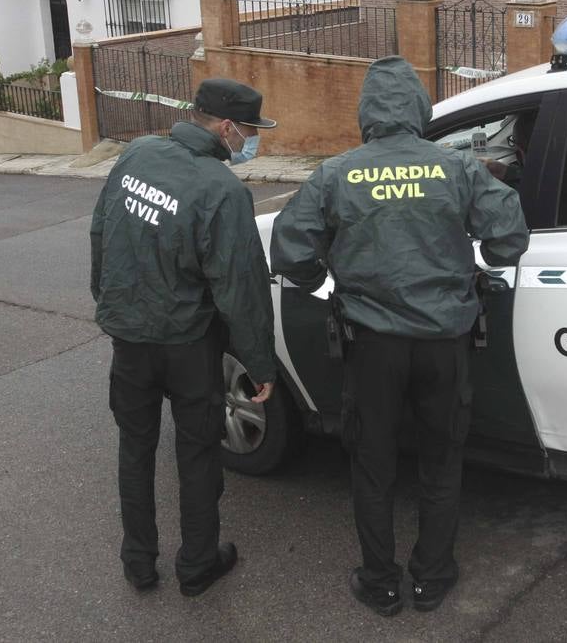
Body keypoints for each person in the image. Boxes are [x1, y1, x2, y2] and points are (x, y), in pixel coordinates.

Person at [270, 56, 529, 617]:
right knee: (441, 460)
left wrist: (327, 284)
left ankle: (381, 581)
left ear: (365, 113)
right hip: (445, 342)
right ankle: (433, 577)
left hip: (372, 345)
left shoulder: (338, 172)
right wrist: (482, 262)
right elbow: (509, 234)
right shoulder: (455, 167)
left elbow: (290, 251)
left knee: (373, 463)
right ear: (417, 109)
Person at [90, 77, 277, 597]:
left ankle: (138, 563)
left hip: (129, 337)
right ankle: (196, 564)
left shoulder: (137, 155)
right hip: (189, 344)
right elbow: (240, 289)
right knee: (197, 452)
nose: (251, 141)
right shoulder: (223, 190)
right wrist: (261, 365)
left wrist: (107, 302)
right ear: (226, 127)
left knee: (136, 447)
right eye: (249, 132)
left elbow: (101, 232)